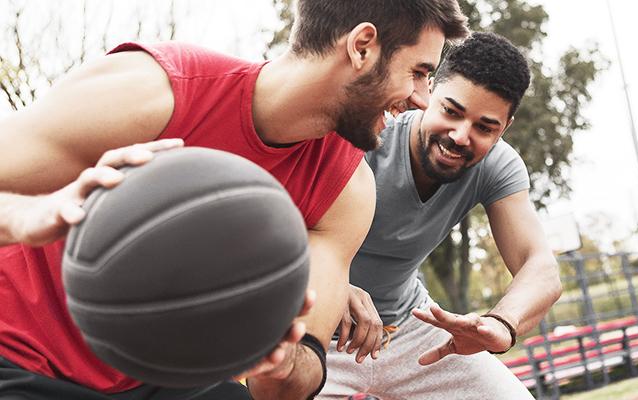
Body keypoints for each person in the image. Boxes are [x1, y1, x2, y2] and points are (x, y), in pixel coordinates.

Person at [0, 1, 469, 399]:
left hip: (158, 377)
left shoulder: (346, 191)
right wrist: (26, 215)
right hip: (17, 353)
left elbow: (294, 376)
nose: (423, 100)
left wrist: (281, 360)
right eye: (420, 73)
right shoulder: (155, 91)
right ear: (362, 46)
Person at [321, 32, 562, 400]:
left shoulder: (499, 167)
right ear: (429, 90)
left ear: (505, 127)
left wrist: (501, 323)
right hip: (321, 328)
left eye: (485, 127)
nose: (461, 136)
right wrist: (333, 284)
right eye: (451, 111)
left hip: (410, 328)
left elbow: (540, 266)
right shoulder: (367, 136)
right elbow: (276, 231)